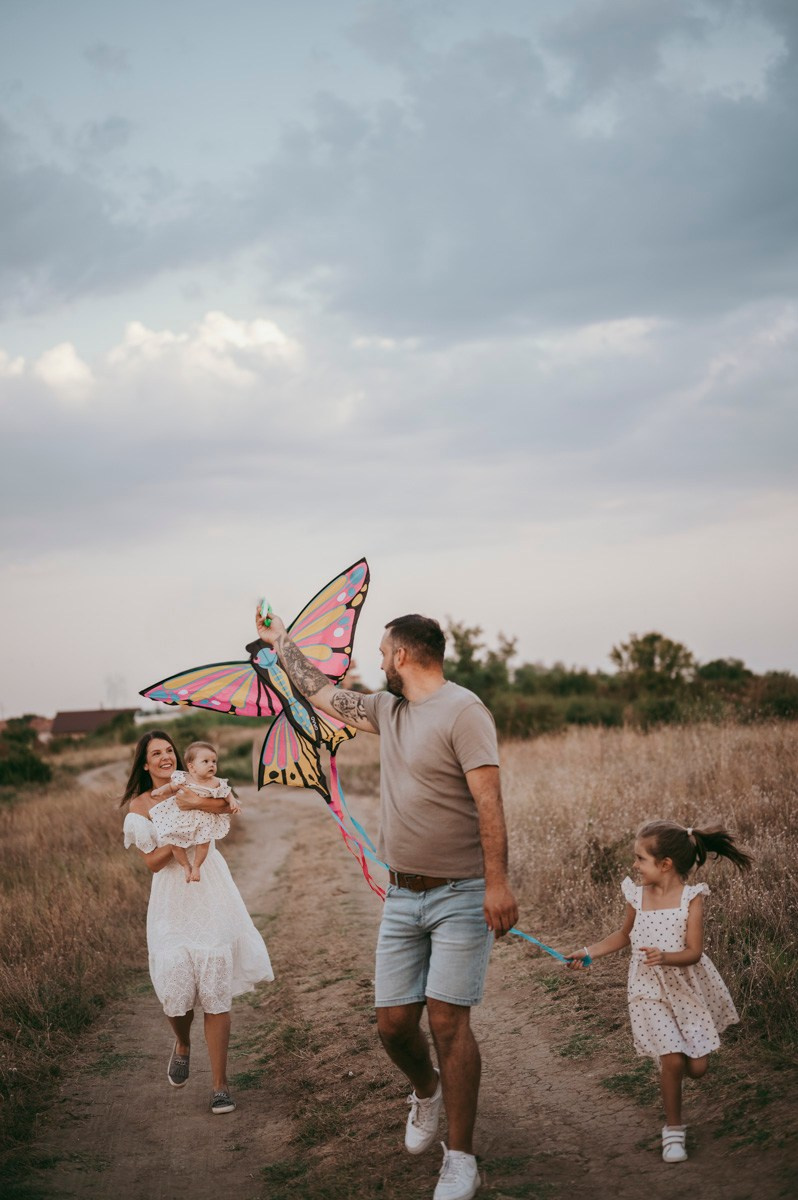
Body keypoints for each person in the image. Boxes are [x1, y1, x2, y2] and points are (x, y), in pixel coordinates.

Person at [253, 608, 518, 1200]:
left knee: (449, 1022)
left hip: (461, 893)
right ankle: (425, 1093)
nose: (375, 661)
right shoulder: (384, 709)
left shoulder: (464, 710)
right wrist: (280, 640)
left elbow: (490, 802)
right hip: (402, 895)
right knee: (394, 1026)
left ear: (403, 654)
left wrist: (497, 882)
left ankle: (462, 1156)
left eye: (381, 652)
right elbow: (319, 692)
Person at [565, 819, 752, 1163]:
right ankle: (673, 1130)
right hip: (647, 990)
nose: (634, 865)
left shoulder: (691, 899)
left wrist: (666, 957)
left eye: (640, 858)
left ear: (665, 864)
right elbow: (623, 935)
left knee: (696, 1068)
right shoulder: (637, 895)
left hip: (686, 989)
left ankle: (674, 1067)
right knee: (671, 1059)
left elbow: (694, 951)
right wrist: (588, 952)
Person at [121, 729, 274, 1115]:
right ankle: (183, 1044)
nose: (164, 757)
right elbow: (153, 863)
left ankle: (221, 1085)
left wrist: (207, 802)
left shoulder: (196, 785)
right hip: (172, 897)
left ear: (180, 757)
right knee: (177, 993)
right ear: (145, 763)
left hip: (209, 888)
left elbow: (225, 807)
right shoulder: (139, 807)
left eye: (169, 750)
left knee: (214, 987)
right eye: (155, 753)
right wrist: (178, 841)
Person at [150, 740, 240, 883]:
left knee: (204, 843)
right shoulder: (185, 778)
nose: (211, 765)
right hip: (183, 818)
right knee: (175, 843)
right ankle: (186, 866)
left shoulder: (215, 781)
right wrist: (160, 791)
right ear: (192, 767)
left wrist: (232, 801)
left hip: (203, 820)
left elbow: (227, 792)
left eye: (214, 761)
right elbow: (171, 787)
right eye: (205, 761)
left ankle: (196, 866)